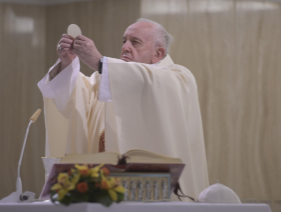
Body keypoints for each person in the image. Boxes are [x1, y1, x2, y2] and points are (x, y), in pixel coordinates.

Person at [38, 18, 209, 199]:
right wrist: (67, 64)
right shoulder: (103, 80)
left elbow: (145, 81)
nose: (125, 47)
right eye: (124, 41)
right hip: (103, 191)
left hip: (154, 191)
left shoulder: (177, 78)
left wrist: (99, 61)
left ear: (158, 54)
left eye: (135, 42)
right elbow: (71, 100)